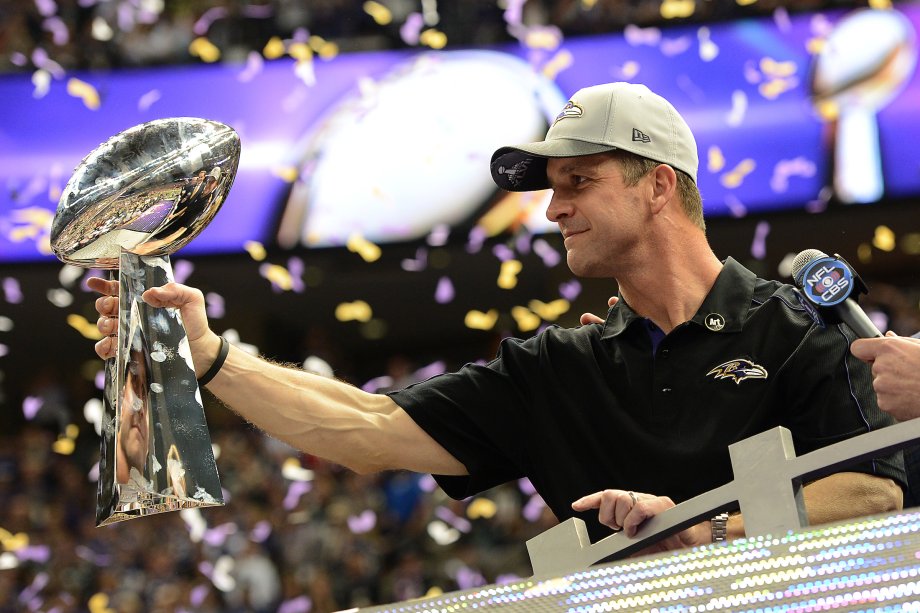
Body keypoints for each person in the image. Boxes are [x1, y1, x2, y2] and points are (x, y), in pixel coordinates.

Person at [90, 82, 905, 556]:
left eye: (578, 182)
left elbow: (872, 493)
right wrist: (209, 356)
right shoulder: (560, 365)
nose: (553, 209)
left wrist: (701, 528)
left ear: (658, 185)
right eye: (551, 186)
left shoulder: (797, 324)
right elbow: (370, 428)